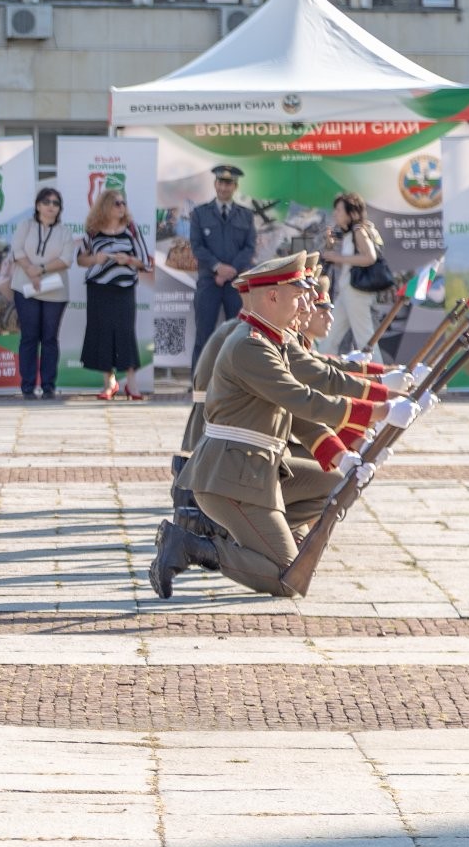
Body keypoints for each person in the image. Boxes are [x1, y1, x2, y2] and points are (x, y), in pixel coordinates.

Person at [152, 252, 413, 600]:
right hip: (231, 478)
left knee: (337, 485)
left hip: (255, 472)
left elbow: (312, 401)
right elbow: (305, 400)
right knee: (288, 578)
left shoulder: (273, 341)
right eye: (299, 293)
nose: (307, 301)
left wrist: (344, 456)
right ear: (272, 296)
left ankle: (255, 538)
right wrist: (380, 410)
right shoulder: (250, 346)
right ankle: (192, 546)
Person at [77, 187, 152, 401]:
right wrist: (95, 259)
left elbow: (145, 263)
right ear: (105, 207)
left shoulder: (131, 229)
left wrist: (127, 260)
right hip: (98, 289)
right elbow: (80, 259)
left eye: (123, 203)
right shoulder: (93, 230)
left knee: (125, 333)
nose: (122, 207)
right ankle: (109, 383)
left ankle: (132, 384)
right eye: (117, 203)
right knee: (102, 333)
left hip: (124, 289)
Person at [10, 186, 76, 398]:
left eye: (55, 203)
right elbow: (17, 250)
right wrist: (31, 270)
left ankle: (48, 386)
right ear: (38, 205)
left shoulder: (64, 232)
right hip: (25, 287)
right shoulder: (26, 225)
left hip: (54, 291)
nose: (51, 206)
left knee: (49, 338)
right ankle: (27, 386)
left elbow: (66, 259)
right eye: (46, 202)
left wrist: (42, 269)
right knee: (29, 337)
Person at [190, 163, 257, 363]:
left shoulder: (246, 215)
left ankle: (236, 385)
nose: (223, 187)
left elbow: (249, 247)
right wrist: (218, 268)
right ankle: (199, 385)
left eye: (228, 183)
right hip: (209, 282)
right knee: (204, 335)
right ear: (214, 183)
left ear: (235, 187)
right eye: (220, 182)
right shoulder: (200, 213)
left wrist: (231, 270)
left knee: (238, 336)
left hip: (236, 284)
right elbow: (197, 246)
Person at [321, 192, 385, 360]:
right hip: (348, 291)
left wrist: (338, 258)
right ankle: (319, 367)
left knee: (365, 339)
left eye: (339, 210)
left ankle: (380, 375)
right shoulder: (350, 232)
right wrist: (331, 245)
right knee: (330, 336)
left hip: (356, 293)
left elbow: (370, 257)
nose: (335, 214)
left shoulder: (359, 230)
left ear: (353, 213)